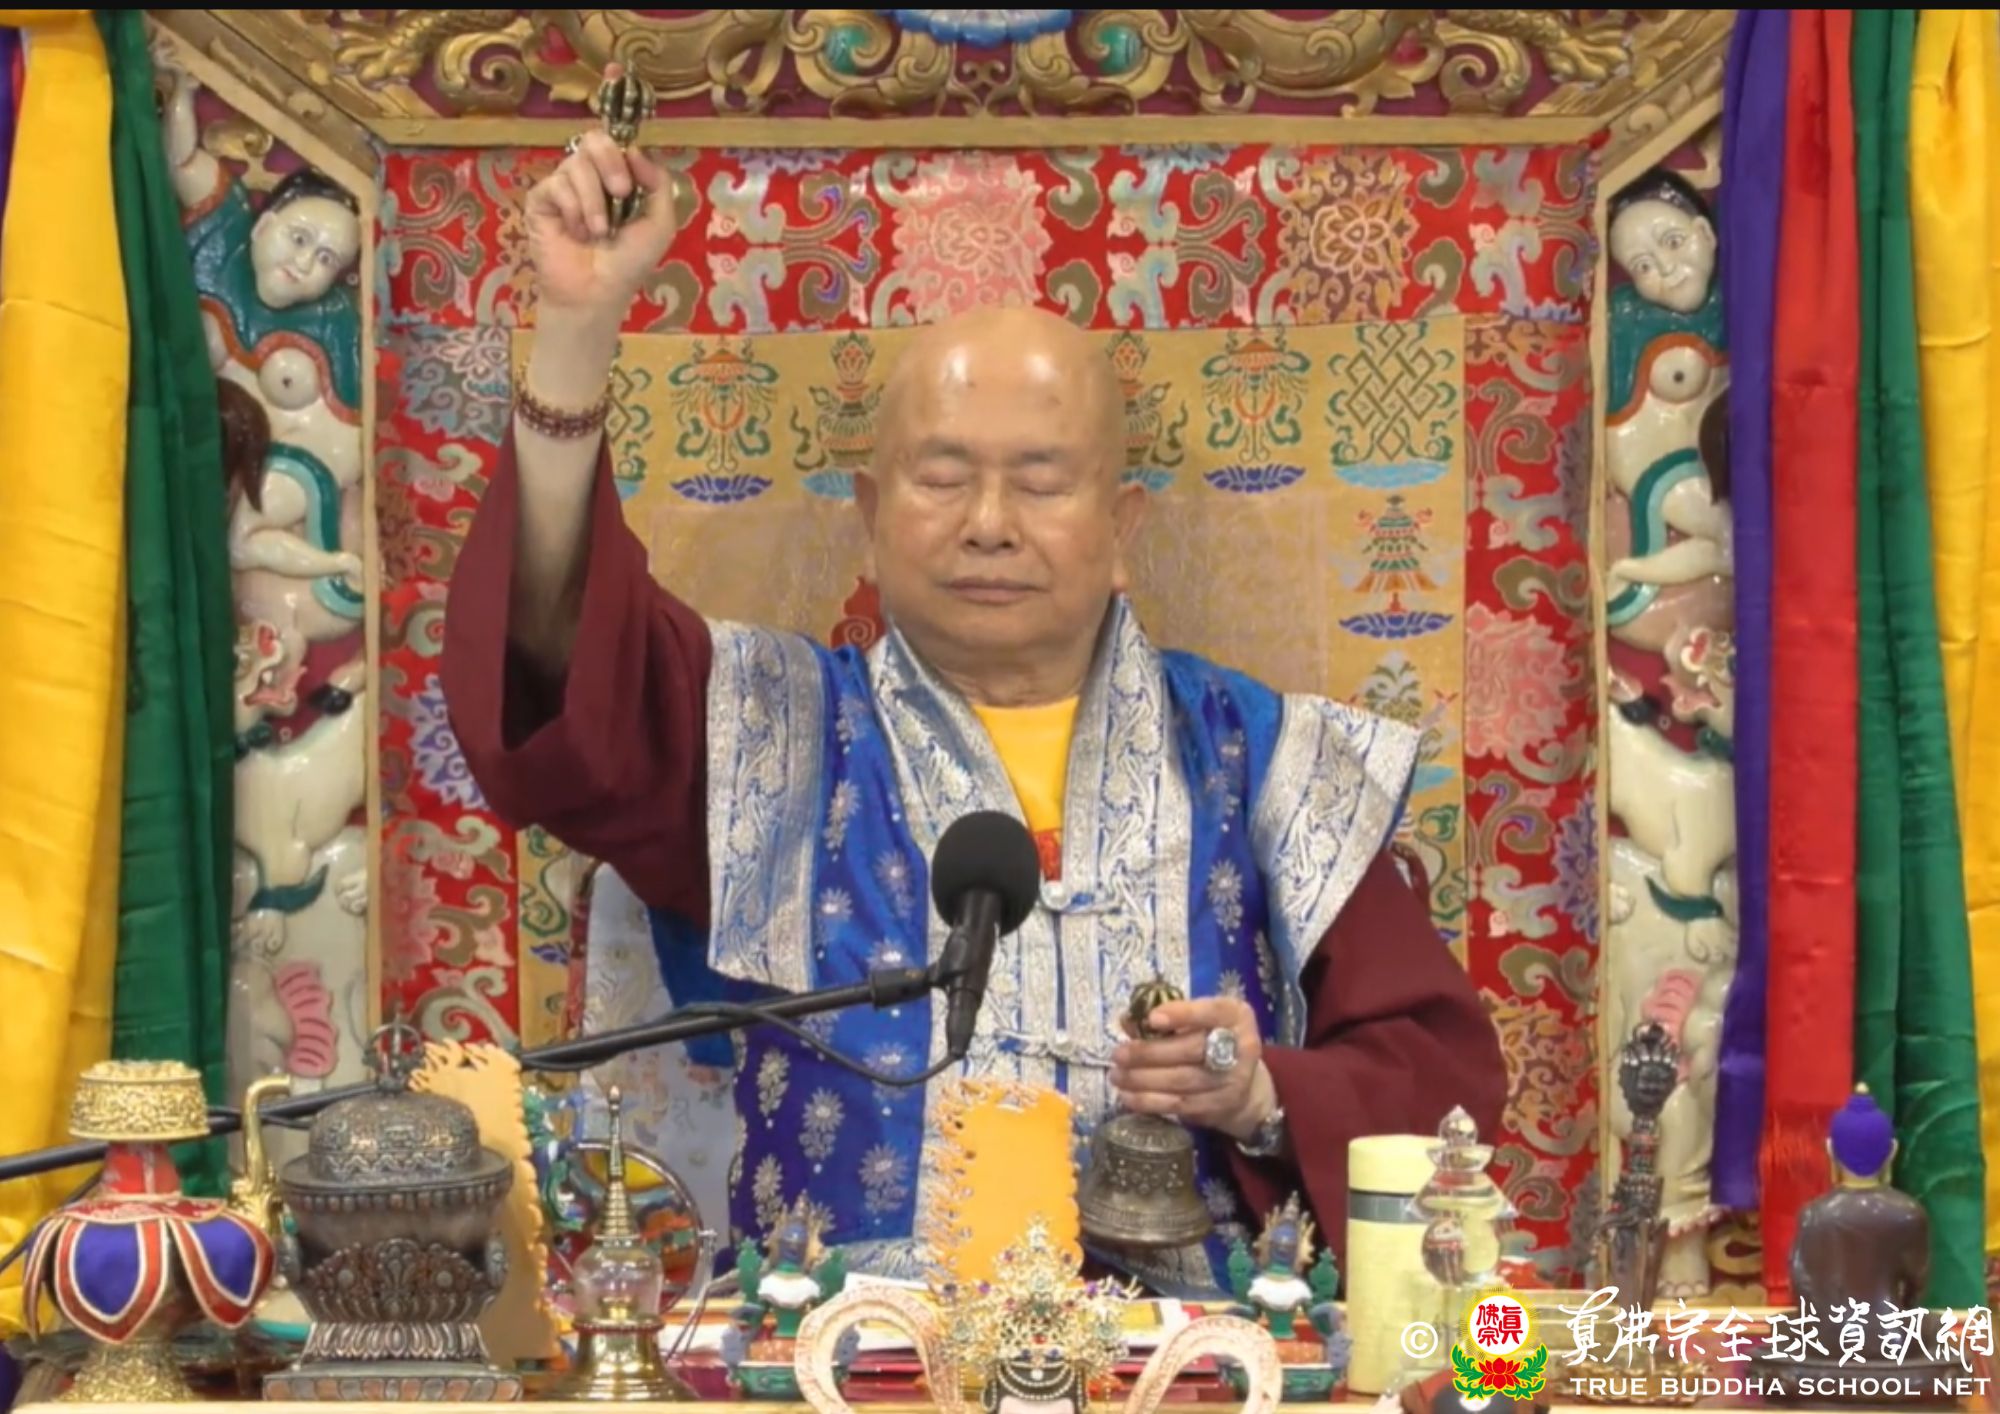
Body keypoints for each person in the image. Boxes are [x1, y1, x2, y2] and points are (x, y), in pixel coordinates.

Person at [440, 127, 1506, 1296]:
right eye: (942, 478)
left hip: (1185, 1354)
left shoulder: (1263, 761)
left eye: (1040, 482)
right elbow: (563, 679)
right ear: (868, 513)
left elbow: (1437, 1098)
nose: (988, 524)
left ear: (1122, 528)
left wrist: (1258, 1098)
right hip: (844, 1347)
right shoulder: (766, 734)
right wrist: (577, 328)